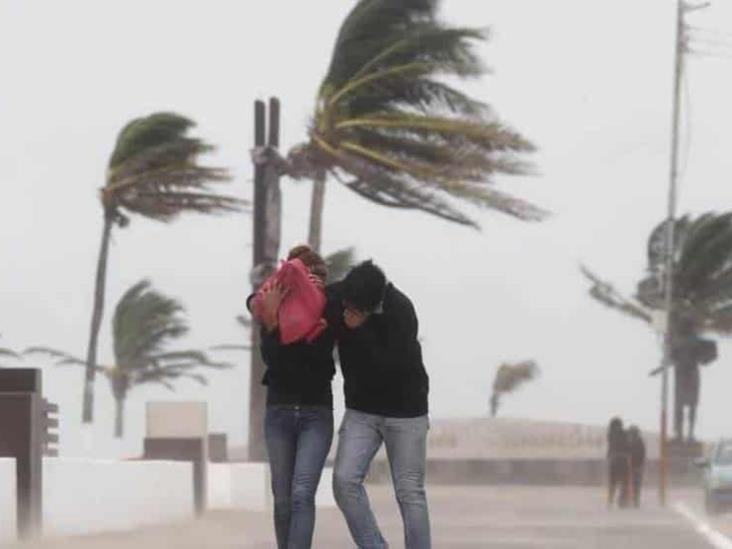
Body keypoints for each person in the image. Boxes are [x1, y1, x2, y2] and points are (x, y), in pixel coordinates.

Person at [326, 260, 431, 549]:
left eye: (354, 308)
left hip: (406, 412)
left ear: (371, 306)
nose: (346, 309)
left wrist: (360, 328)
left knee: (410, 492)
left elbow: (389, 368)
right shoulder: (347, 294)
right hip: (362, 411)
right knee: (344, 481)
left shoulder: (402, 311)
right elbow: (312, 299)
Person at [248, 245, 335, 549]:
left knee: (301, 494)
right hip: (279, 412)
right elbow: (274, 362)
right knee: (282, 498)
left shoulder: (327, 314)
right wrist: (272, 323)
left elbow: (322, 368)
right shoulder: (273, 312)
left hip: (316, 414)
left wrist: (315, 326)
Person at [606, 417, 629, 508]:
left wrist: (610, 455)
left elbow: (611, 448)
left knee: (614, 482)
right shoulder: (623, 434)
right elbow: (627, 446)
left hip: (615, 460)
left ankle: (612, 500)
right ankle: (621, 500)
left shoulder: (611, 434)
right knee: (622, 482)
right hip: (621, 460)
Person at [626, 425, 646, 508]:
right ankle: (633, 500)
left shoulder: (637, 442)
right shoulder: (633, 442)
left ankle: (635, 500)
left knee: (635, 484)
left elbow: (641, 454)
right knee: (633, 484)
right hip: (634, 466)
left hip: (636, 466)